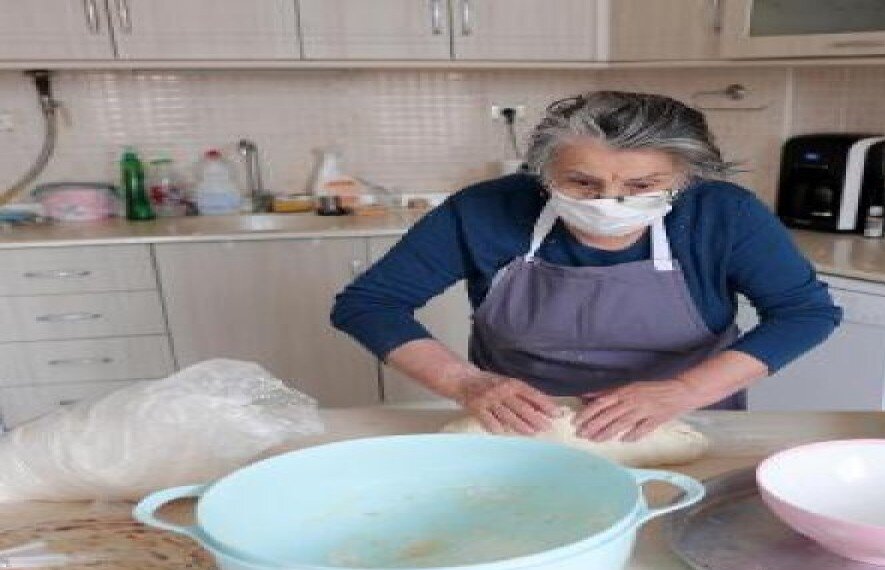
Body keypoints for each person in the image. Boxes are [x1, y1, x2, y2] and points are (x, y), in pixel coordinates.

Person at [332, 91, 841, 443]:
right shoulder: (485, 210)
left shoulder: (724, 214)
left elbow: (804, 313)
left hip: (684, 420)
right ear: (542, 172)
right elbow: (370, 304)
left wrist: (685, 391)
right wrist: (466, 384)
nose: (608, 202)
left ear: (687, 178)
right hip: (523, 427)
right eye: (581, 182)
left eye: (641, 186)